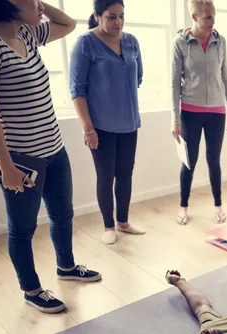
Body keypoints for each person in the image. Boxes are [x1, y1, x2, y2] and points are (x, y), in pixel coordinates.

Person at [0, 0, 101, 314]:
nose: (40, 2)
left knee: (63, 214)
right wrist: (5, 166)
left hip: (54, 147)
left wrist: (39, 6)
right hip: (21, 158)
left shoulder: (27, 33)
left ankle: (66, 267)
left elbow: (69, 25)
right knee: (23, 227)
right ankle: (31, 289)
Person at [69, 0, 145, 245]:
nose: (118, 22)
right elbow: (77, 90)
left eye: (122, 16)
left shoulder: (132, 41)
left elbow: (138, 77)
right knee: (106, 175)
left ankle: (123, 221)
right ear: (97, 16)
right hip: (100, 126)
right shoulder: (86, 43)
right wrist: (87, 128)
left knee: (126, 174)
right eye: (112, 17)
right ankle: (108, 225)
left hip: (129, 122)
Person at [170, 0, 227, 226]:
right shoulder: (180, 43)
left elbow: (225, 76)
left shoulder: (221, 41)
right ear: (194, 17)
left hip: (217, 111)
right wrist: (175, 118)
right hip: (190, 110)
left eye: (213, 15)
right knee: (189, 161)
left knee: (213, 160)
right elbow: (174, 83)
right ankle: (183, 206)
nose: (212, 21)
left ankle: (218, 206)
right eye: (207, 17)